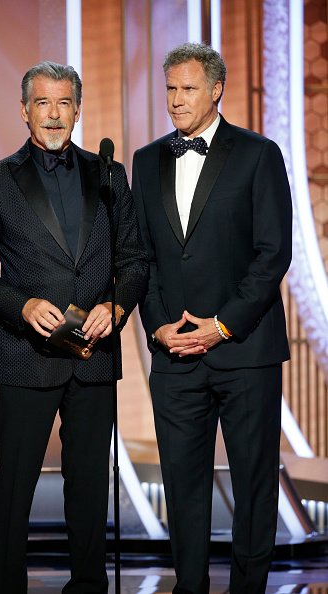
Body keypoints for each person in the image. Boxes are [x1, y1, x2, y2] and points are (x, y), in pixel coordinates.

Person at [0, 61, 148, 594]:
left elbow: (134, 259)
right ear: (24, 111)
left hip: (94, 358)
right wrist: (21, 306)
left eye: (64, 102)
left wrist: (117, 305)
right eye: (43, 103)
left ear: (79, 109)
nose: (54, 114)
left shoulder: (110, 174)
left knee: (89, 488)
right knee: (14, 491)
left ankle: (88, 585)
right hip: (26, 357)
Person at [132, 43, 292, 594]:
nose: (176, 100)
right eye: (170, 89)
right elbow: (142, 255)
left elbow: (273, 253)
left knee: (252, 484)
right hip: (174, 352)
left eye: (188, 89)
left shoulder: (258, 154)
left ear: (217, 89)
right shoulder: (146, 159)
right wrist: (157, 324)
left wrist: (221, 325)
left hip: (244, 350)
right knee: (183, 484)